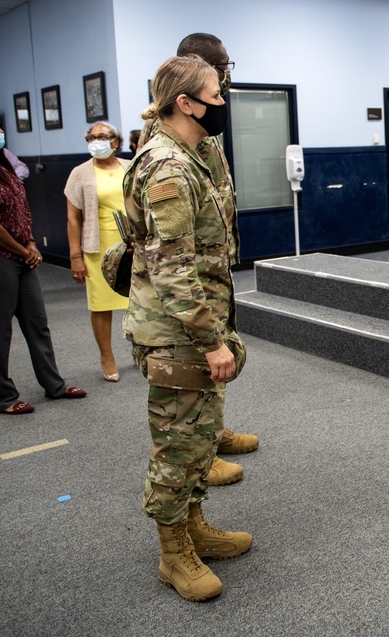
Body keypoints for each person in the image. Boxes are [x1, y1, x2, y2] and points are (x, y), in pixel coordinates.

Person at [125, 55, 252, 602]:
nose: (222, 103)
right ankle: (173, 553)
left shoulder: (191, 153)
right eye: (215, 94)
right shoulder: (169, 168)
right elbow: (172, 269)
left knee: (201, 435)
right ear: (187, 103)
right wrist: (212, 339)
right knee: (177, 445)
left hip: (194, 323)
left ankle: (194, 526)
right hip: (177, 332)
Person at [138, 33, 257, 488]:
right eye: (222, 71)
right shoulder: (168, 148)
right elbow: (169, 252)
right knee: (188, 396)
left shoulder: (202, 128)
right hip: (185, 281)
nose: (227, 81)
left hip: (210, 267)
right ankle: (201, 452)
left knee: (207, 379)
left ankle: (213, 433)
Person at [0, 104, 87, 414]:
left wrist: (30, 241)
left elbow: (19, 211)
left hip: (19, 255)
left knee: (37, 324)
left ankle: (53, 384)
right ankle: (2, 397)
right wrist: (24, 250)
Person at [64, 122, 132, 381]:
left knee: (139, 301)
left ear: (115, 141)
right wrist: (75, 257)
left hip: (132, 245)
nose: (96, 141)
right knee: (101, 305)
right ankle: (107, 357)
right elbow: (73, 219)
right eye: (91, 137)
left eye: (102, 136)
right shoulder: (79, 173)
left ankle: (141, 349)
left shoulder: (130, 166)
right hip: (97, 247)